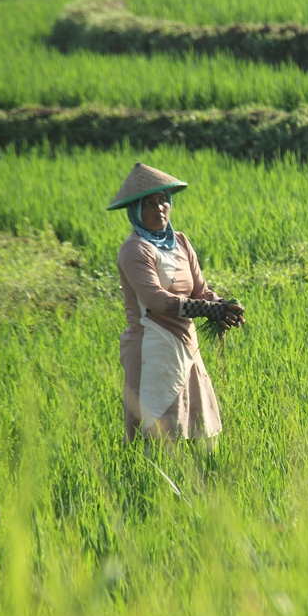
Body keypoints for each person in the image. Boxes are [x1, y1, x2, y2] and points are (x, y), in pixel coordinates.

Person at [109, 162, 245, 442]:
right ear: (135, 211)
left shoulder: (180, 242)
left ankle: (197, 478)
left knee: (195, 425)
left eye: (163, 201)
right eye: (149, 204)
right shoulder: (135, 250)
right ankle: (150, 480)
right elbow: (156, 300)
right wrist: (208, 310)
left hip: (185, 344)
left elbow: (201, 290)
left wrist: (222, 307)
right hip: (152, 345)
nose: (159, 208)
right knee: (156, 426)